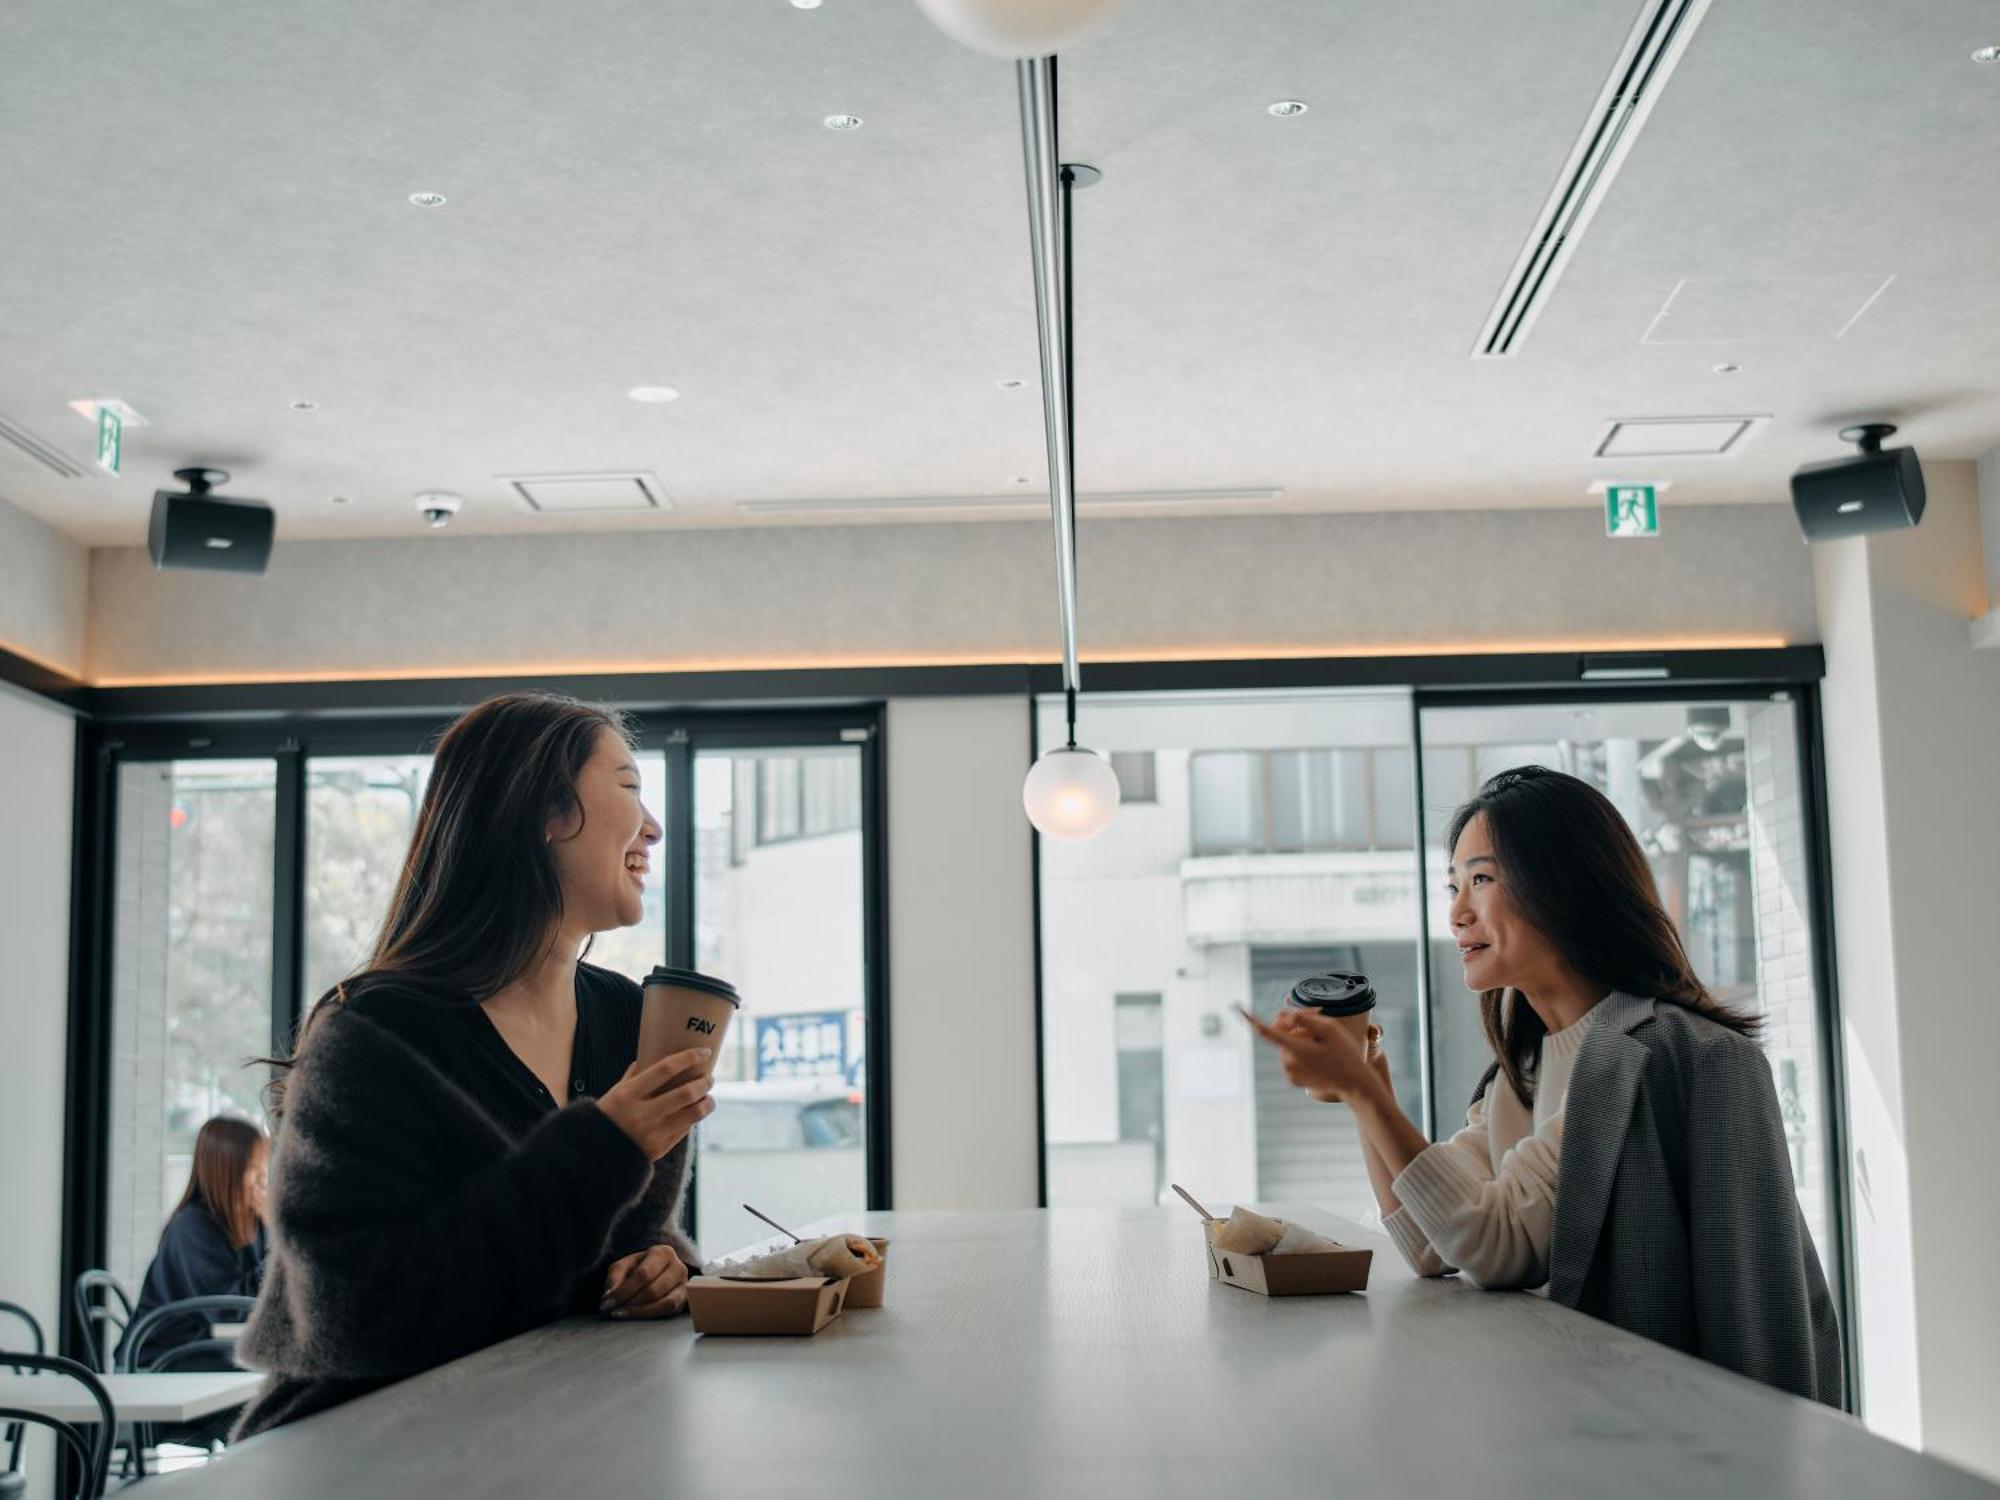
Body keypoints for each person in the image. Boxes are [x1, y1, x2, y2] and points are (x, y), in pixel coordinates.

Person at [1247, 765, 1843, 1404]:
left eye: (1480, 879)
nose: (1455, 912)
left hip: (1670, 1433)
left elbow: (1496, 1244)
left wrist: (1366, 1095)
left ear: (1564, 886)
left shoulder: (1662, 1056)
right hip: (1569, 1412)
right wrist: (1368, 1085)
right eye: (1452, 885)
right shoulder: (1520, 1076)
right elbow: (1431, 1240)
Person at [234, 695, 717, 1439]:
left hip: (555, 1436)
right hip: (358, 1449)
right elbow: (362, 1312)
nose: (653, 826)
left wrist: (661, 1272)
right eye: (627, 789)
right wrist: (604, 1148)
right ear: (545, 814)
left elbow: (605, 1250)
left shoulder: (629, 1020)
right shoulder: (373, 1034)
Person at [117, 1116, 268, 1450]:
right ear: (226, 1171)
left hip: (207, 1353)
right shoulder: (192, 1229)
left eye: (263, 1167)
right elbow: (233, 1315)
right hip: (163, 1364)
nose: (262, 1179)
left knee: (275, 1384)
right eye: (254, 1169)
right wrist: (276, 1239)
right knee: (270, 1396)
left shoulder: (251, 1224)